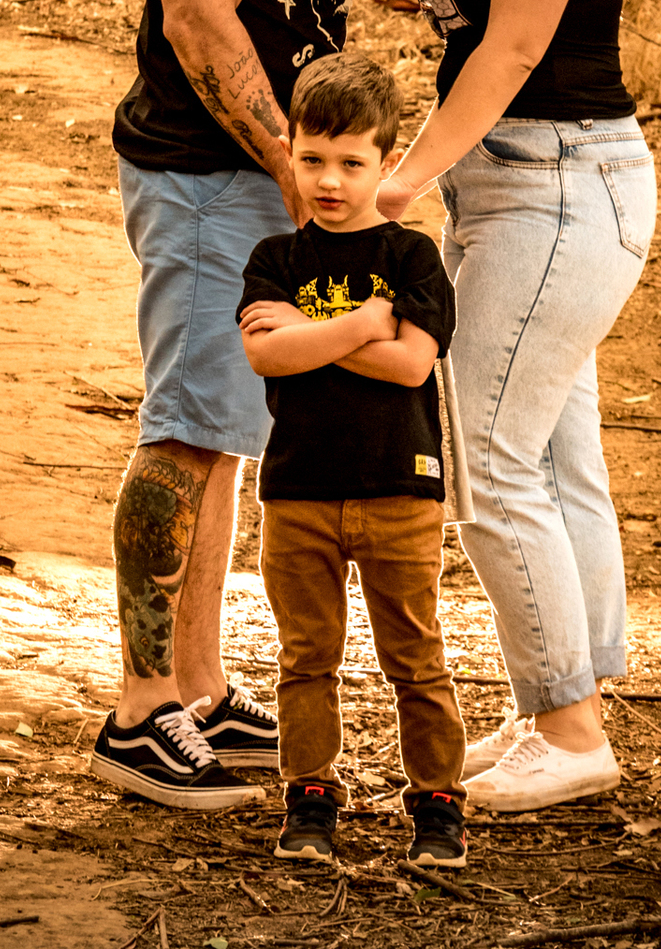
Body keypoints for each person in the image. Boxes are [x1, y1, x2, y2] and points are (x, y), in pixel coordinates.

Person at [90, 0, 442, 811]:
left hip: (257, 180)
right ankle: (138, 712)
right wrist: (295, 170)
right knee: (184, 430)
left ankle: (195, 688)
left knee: (228, 432)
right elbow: (197, 16)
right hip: (207, 177)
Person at [377, 0, 657, 813]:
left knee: (490, 462)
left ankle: (570, 731)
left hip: (554, 189)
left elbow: (513, 52)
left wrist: (400, 180)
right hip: (533, 192)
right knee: (552, 458)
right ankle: (560, 703)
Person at [238, 52, 468, 866]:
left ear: (385, 160)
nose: (329, 180)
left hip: (400, 488)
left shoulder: (412, 257)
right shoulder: (274, 258)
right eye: (311, 159)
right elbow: (265, 355)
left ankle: (437, 804)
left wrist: (310, 333)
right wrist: (367, 321)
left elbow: (411, 364)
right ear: (290, 152)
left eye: (351, 162)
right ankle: (310, 798)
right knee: (306, 657)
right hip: (297, 490)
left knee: (416, 655)